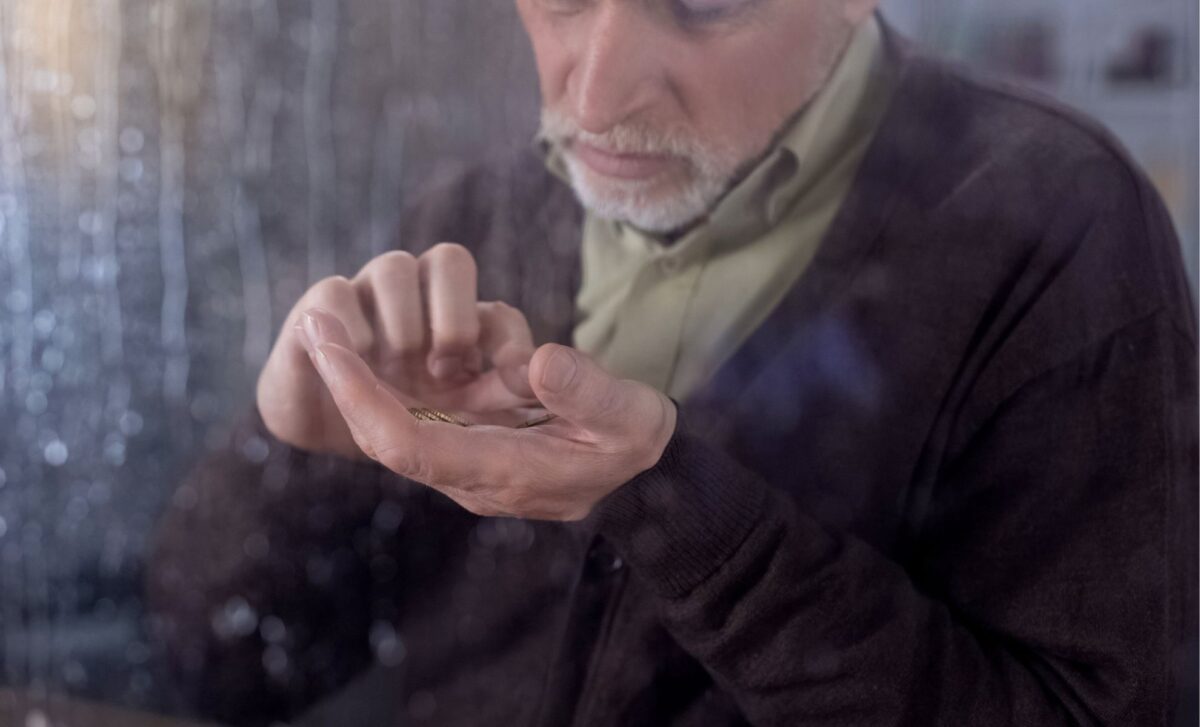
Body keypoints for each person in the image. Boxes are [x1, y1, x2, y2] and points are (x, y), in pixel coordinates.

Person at [147, 1, 1198, 725]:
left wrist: (683, 517)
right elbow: (210, 668)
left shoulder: (1057, 227)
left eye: (703, 2)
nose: (597, 97)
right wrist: (296, 449)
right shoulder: (467, 219)